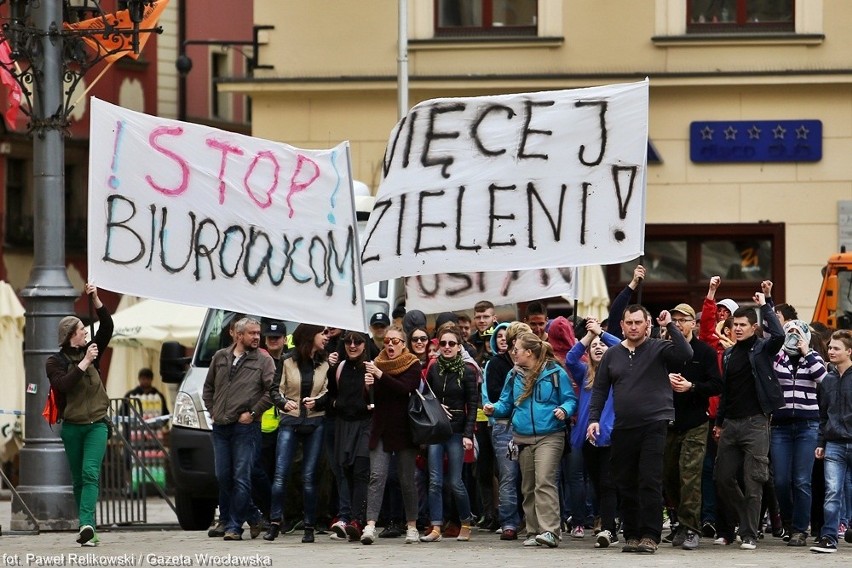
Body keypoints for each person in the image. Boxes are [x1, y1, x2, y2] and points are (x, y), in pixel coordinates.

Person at [587, 305, 693, 554]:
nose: (633, 327)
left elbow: (685, 353)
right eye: (629, 323)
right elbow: (600, 390)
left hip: (654, 423)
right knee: (625, 482)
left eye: (638, 322)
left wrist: (669, 326)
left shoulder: (659, 347)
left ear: (647, 324)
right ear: (621, 326)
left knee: (649, 479)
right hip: (623, 426)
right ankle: (632, 534)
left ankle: (650, 534)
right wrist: (594, 419)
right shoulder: (612, 354)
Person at [484, 332, 577, 549]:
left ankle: (550, 531)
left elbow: (571, 399)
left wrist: (564, 409)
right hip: (522, 436)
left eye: (516, 349)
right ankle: (534, 531)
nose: (513, 352)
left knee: (544, 480)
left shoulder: (555, 372)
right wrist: (493, 409)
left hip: (550, 435)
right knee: (528, 486)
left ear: (529, 352)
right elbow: (506, 404)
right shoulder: (513, 375)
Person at [713, 292, 785, 551]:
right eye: (735, 326)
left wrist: (765, 305)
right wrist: (719, 423)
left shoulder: (763, 349)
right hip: (730, 423)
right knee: (722, 477)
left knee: (754, 479)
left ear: (753, 327)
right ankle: (746, 518)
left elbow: (779, 336)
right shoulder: (729, 355)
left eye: (743, 325)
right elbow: (726, 391)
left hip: (756, 423)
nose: (738, 329)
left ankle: (750, 534)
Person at [47, 283, 113, 547]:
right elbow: (62, 385)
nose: (86, 334)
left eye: (86, 331)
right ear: (71, 336)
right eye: (82, 331)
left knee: (89, 473)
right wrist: (85, 362)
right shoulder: (55, 361)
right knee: (77, 479)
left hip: (97, 425)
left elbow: (107, 326)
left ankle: (85, 523)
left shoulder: (93, 350)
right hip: (72, 427)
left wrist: (96, 299)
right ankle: (90, 529)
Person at [202, 317, 275, 541]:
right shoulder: (220, 356)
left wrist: (253, 413)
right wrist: (212, 409)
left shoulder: (264, 360)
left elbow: (272, 391)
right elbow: (208, 387)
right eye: (252, 333)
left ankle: (234, 526)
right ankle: (253, 515)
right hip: (221, 426)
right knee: (224, 476)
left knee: (241, 476)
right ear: (238, 335)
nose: (257, 337)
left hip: (246, 427)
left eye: (258, 333)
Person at [662, 302, 722, 550]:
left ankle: (691, 528)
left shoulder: (704, 352)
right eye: (674, 320)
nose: (678, 324)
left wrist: (692, 387)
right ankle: (679, 521)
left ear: (693, 324)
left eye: (683, 320)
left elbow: (717, 385)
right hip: (669, 422)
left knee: (690, 476)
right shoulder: (665, 350)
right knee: (670, 476)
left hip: (696, 421)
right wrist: (663, 380)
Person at [265, 324, 330, 543]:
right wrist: (284, 404)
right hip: (289, 422)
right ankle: (275, 523)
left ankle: (309, 527)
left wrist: (317, 401)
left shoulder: (325, 362)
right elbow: (275, 390)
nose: (326, 337)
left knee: (309, 477)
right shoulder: (286, 360)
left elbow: (328, 393)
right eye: (323, 333)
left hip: (315, 423)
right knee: (281, 474)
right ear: (311, 336)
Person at [360, 325, 423, 545]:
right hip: (381, 427)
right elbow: (370, 399)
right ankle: (370, 525)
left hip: (405, 429)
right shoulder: (376, 362)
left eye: (395, 341)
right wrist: (368, 386)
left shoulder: (412, 364)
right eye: (387, 341)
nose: (390, 345)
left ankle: (412, 526)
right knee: (376, 476)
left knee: (407, 479)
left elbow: (404, 388)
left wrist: (379, 374)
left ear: (403, 344)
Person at [770, 319, 827, 546]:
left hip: (807, 426)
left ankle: (800, 529)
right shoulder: (777, 357)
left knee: (802, 480)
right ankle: (789, 522)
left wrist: (806, 353)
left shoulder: (815, 358)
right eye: (789, 332)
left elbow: (823, 379)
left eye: (797, 332)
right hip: (781, 426)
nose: (793, 336)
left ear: (805, 335)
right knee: (781, 480)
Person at [420, 325, 478, 542]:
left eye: (451, 343)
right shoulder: (433, 368)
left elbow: (473, 405)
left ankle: (465, 521)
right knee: (434, 480)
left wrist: (467, 434)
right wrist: (435, 405)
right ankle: (436, 526)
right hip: (436, 430)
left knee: (455, 481)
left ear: (459, 347)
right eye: (443, 343)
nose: (446, 347)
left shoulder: (468, 370)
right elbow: (425, 396)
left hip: (456, 431)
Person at [566, 318, 619, 549]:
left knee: (608, 482)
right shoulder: (584, 373)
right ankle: (604, 519)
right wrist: (588, 336)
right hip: (586, 438)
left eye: (602, 344)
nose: (598, 346)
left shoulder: (619, 373)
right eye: (594, 345)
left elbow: (621, 345)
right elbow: (570, 358)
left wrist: (601, 333)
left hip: (610, 436)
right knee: (597, 483)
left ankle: (609, 528)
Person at [326, 330, 373, 542]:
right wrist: (333, 403)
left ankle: (357, 519)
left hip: (365, 424)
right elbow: (332, 395)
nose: (352, 346)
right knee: (343, 470)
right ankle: (344, 517)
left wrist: (373, 385)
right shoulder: (340, 368)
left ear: (365, 344)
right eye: (348, 342)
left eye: (357, 342)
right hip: (343, 424)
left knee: (360, 471)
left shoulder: (372, 367)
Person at [810, 330, 852, 553]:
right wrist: (821, 442)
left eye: (836, 348)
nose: (831, 351)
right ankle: (829, 537)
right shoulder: (827, 380)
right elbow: (823, 414)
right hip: (834, 443)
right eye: (830, 348)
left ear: (849, 351)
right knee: (832, 491)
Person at [482, 321, 521, 540]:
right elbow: (496, 395)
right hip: (504, 424)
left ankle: (529, 520)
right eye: (503, 337)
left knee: (529, 477)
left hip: (528, 425)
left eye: (512, 337)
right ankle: (509, 522)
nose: (507, 341)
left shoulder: (534, 363)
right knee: (507, 475)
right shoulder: (496, 364)